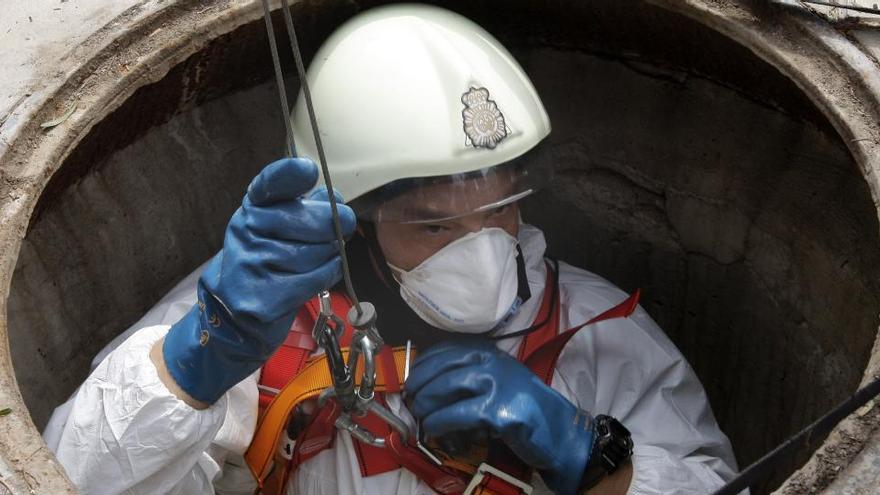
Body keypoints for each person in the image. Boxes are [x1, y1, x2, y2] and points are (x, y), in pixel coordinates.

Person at [45, 4, 739, 494]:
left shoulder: (600, 333)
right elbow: (60, 477)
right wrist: (195, 361)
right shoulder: (259, 310)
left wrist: (595, 457)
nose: (481, 251)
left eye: (498, 212)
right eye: (432, 226)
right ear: (353, 225)